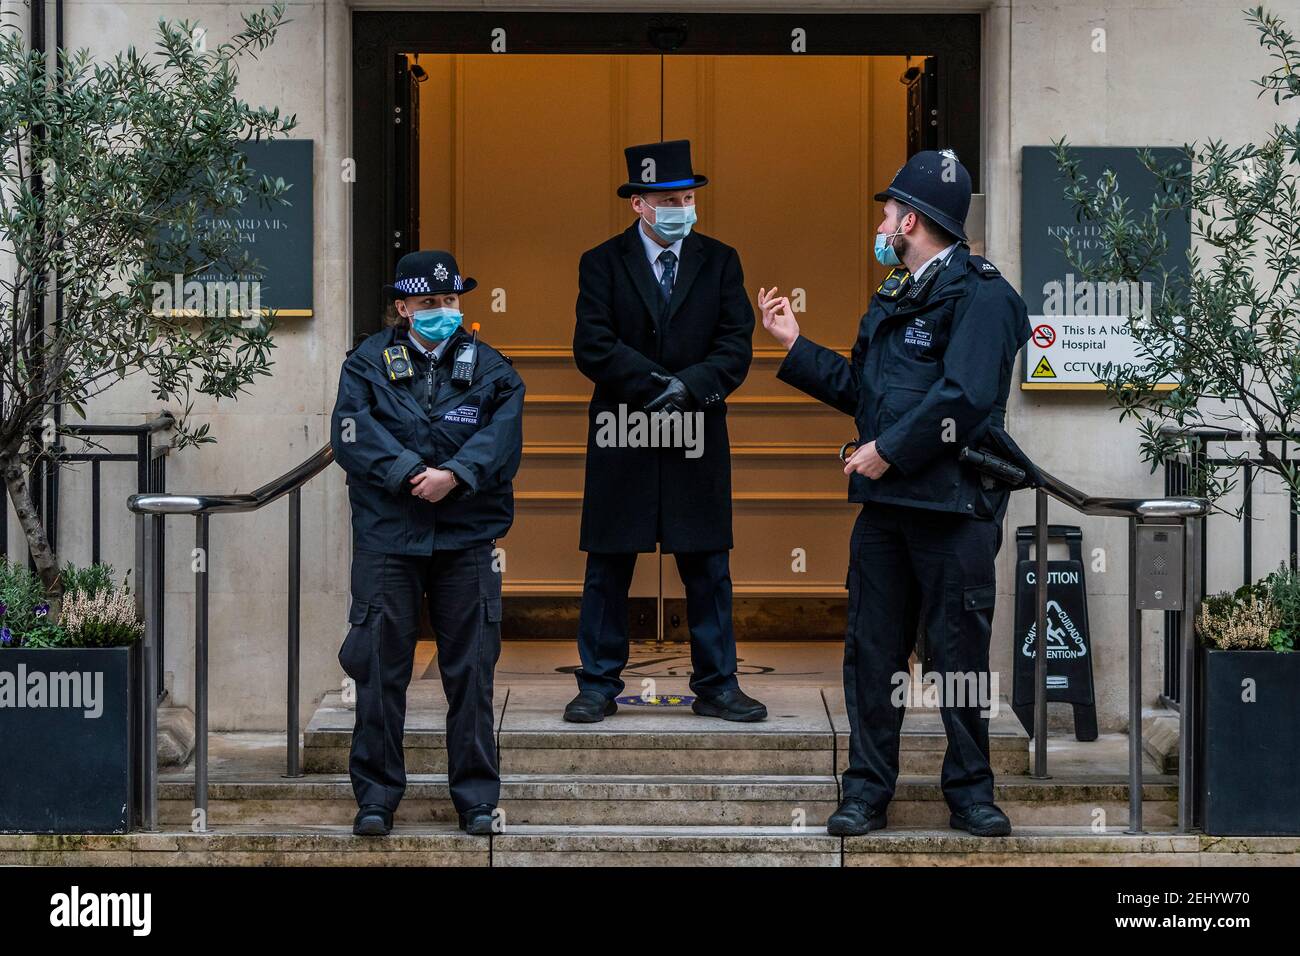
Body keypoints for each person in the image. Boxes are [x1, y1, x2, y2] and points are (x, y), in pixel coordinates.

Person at [759, 149, 1033, 837]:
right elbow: (865, 393)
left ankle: (971, 792)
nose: (881, 222)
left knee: (959, 658)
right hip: (886, 514)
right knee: (872, 655)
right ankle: (866, 792)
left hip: (953, 511)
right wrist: (796, 346)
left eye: (887, 211)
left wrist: (889, 452)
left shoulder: (985, 296)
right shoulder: (893, 294)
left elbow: (965, 397)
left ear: (910, 219)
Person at [564, 138, 766, 724]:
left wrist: (689, 387)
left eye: (687, 196)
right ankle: (598, 683)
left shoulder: (721, 260)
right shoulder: (600, 262)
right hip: (623, 428)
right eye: (669, 198)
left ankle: (717, 685)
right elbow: (592, 345)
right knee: (609, 562)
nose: (682, 206)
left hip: (695, 431)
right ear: (639, 205)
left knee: (706, 564)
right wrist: (657, 386)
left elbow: (735, 344)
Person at [330, 250, 525, 836]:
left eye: (449, 301)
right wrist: (413, 471)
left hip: (466, 538)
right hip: (389, 538)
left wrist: (455, 476)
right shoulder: (366, 363)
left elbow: (502, 440)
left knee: (470, 672)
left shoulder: (491, 368)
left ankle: (475, 800)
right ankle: (376, 798)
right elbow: (349, 431)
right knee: (379, 670)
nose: (441, 311)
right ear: (402, 307)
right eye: (428, 303)